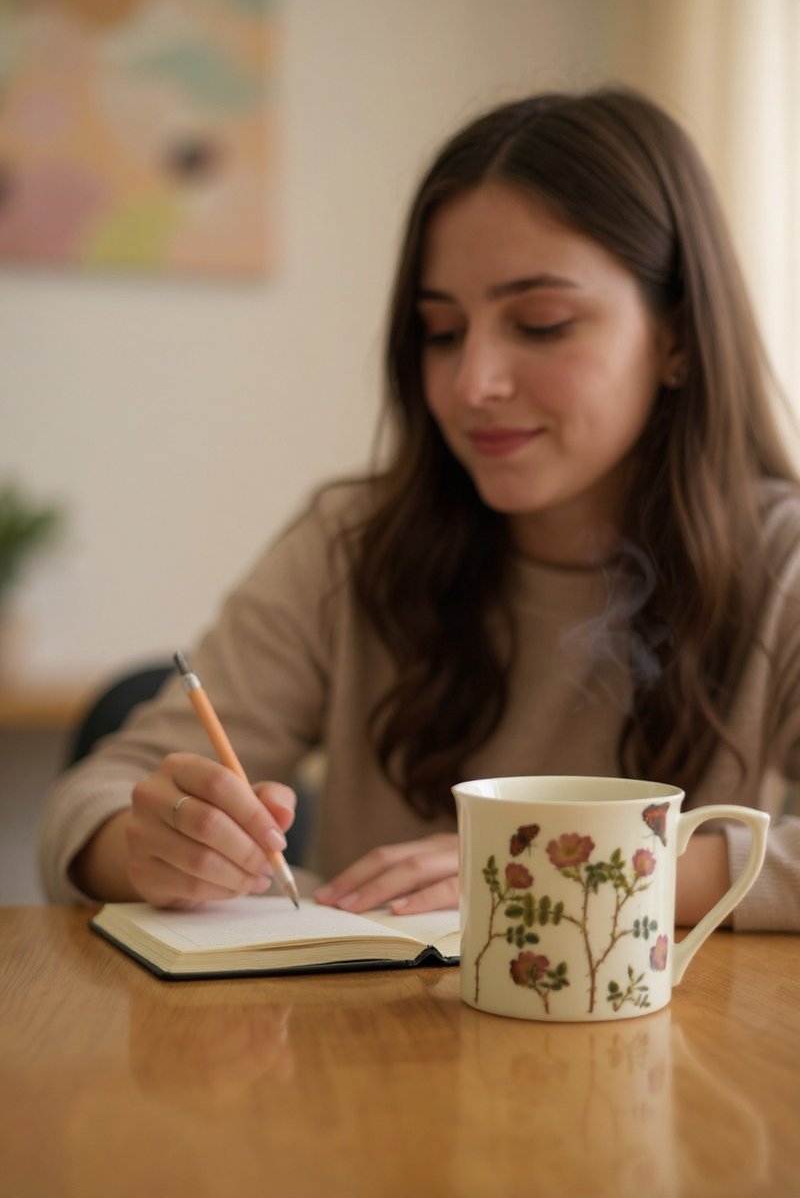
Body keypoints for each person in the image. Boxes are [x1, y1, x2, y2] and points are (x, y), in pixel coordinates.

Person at [40, 86, 800, 931]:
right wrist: (151, 843)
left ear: (679, 338)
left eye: (541, 323)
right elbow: (91, 803)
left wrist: (570, 871)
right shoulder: (351, 544)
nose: (474, 385)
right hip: (375, 1049)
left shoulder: (784, 564)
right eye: (441, 332)